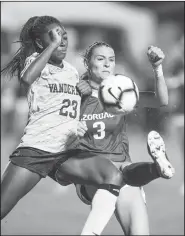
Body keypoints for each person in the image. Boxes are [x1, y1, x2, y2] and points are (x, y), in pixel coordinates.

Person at [1, 15, 127, 235]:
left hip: (67, 152)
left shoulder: (71, 70)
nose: (62, 41)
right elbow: (26, 79)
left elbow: (74, 103)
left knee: (113, 175)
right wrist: (51, 47)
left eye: (64, 36)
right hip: (37, 150)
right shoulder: (34, 62)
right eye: (55, 36)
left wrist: (84, 90)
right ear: (42, 43)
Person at [52, 42, 175, 235]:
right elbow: (54, 127)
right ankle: (152, 169)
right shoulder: (75, 92)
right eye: (100, 59)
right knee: (116, 174)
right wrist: (72, 126)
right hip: (91, 174)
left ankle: (158, 169)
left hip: (125, 168)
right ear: (87, 62)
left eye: (111, 60)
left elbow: (162, 101)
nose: (107, 64)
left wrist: (157, 68)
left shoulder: (121, 90)